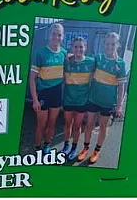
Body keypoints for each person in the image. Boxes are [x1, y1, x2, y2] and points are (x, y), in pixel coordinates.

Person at [78, 32, 128, 164]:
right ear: (103, 44)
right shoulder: (98, 58)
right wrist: (73, 56)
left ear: (117, 45)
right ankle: (85, 148)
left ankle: (97, 151)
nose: (109, 46)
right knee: (88, 124)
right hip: (93, 99)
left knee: (103, 126)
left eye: (113, 44)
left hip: (107, 102)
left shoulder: (120, 64)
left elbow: (122, 87)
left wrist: (119, 106)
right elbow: (86, 63)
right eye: (107, 44)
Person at [29, 23, 66, 154]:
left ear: (62, 37)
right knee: (41, 124)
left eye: (59, 34)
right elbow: (32, 78)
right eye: (54, 34)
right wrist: (35, 100)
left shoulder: (64, 54)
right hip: (43, 94)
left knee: (52, 123)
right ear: (49, 35)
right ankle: (37, 148)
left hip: (56, 94)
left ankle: (47, 145)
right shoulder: (41, 53)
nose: (56, 37)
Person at [61, 36, 96, 160]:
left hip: (82, 101)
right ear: (72, 48)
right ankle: (65, 146)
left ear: (85, 48)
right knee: (67, 124)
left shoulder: (92, 61)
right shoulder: (67, 60)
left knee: (77, 126)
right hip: (68, 100)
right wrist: (67, 56)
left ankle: (74, 148)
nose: (78, 49)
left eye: (81, 47)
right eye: (75, 47)